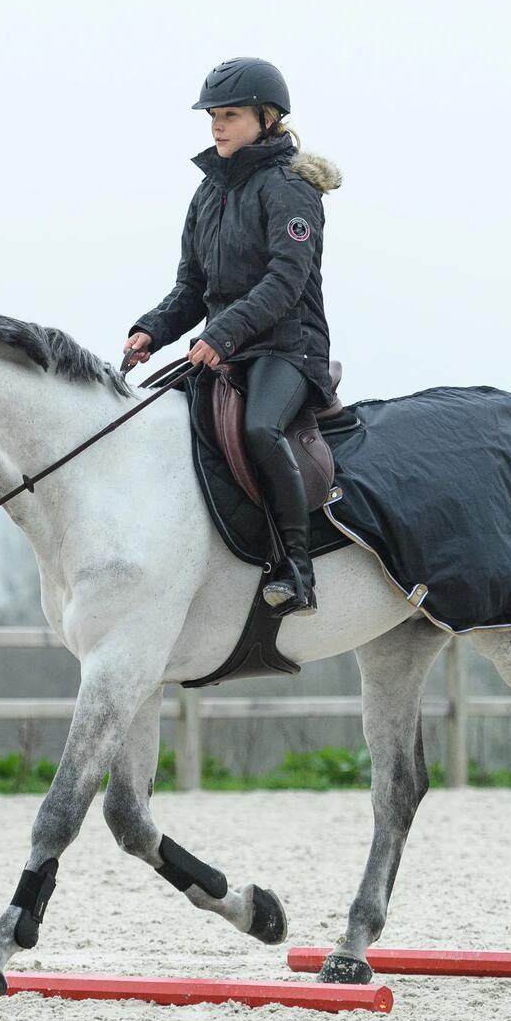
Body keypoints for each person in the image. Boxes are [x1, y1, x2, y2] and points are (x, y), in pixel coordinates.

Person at [124, 57, 342, 617]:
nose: (217, 125)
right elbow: (192, 287)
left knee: (261, 429)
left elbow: (285, 282)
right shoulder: (207, 195)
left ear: (267, 119)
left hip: (288, 347)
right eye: (213, 116)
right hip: (227, 348)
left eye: (230, 115)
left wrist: (220, 334)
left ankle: (297, 568)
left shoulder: (292, 189)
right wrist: (152, 329)